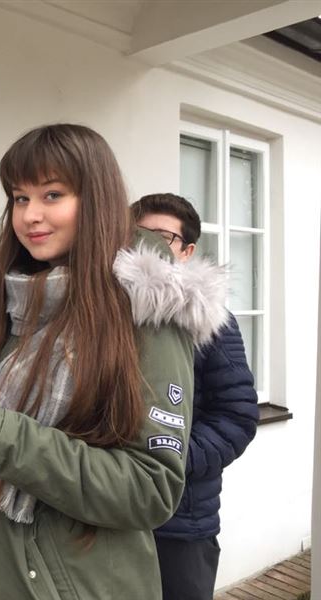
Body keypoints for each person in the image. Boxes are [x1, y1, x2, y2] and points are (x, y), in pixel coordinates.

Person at [0, 124, 229, 599]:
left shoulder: (146, 312)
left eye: (52, 194)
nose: (30, 215)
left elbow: (151, 488)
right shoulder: (16, 302)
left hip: (76, 582)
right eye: (20, 197)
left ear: (96, 199)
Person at [132, 192, 259, 600]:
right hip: (109, 515)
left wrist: (168, 460)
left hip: (180, 520)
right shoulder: (110, 314)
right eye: (137, 233)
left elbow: (237, 417)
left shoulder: (210, 320)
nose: (147, 244)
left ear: (186, 251)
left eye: (161, 236)